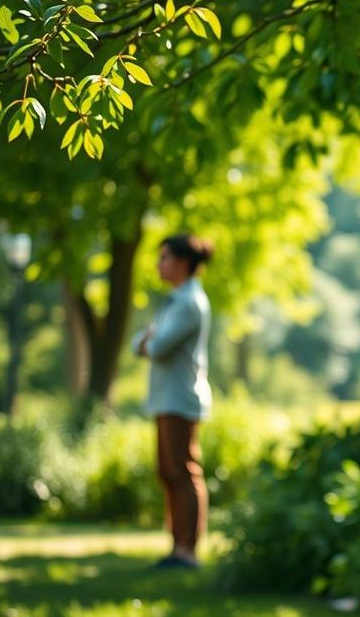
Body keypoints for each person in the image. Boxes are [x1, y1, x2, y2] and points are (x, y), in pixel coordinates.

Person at [133, 233, 215, 569]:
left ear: (182, 262)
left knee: (183, 472)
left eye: (164, 257)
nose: (159, 263)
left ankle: (187, 550)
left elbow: (156, 346)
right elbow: (141, 343)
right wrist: (149, 338)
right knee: (169, 472)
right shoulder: (176, 300)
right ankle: (177, 545)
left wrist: (150, 338)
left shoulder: (188, 303)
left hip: (180, 399)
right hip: (166, 398)